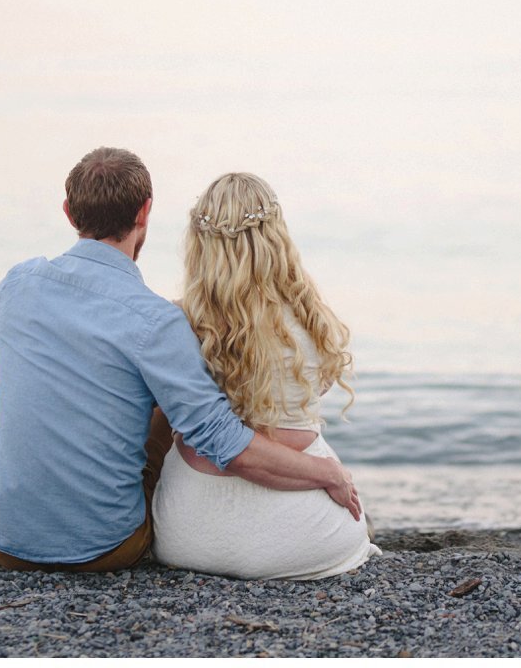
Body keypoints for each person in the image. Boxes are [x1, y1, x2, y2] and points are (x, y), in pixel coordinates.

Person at [0, 147, 361, 572]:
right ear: (145, 213)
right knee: (166, 381)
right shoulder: (154, 320)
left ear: (69, 213)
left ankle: (15, 490)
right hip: (109, 547)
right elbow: (222, 440)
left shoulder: (20, 283)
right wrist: (326, 472)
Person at [151, 172, 380, 580]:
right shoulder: (311, 321)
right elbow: (319, 388)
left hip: (190, 533)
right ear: (276, 237)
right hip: (304, 536)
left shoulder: (179, 323)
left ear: (200, 243)